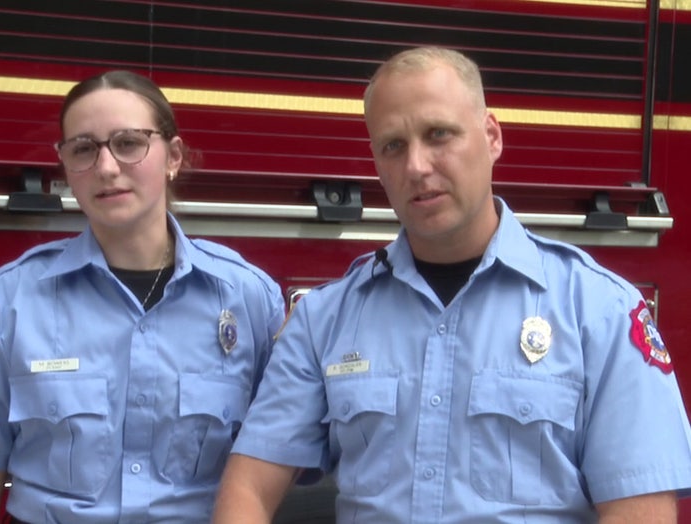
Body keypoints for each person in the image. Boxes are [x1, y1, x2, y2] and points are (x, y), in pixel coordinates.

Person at [212, 46, 691, 523]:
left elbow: (642, 512)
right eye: (393, 146)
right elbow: (247, 488)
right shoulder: (325, 319)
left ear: (491, 136)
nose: (417, 166)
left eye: (438, 134)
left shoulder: (599, 311)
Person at [0, 70, 285, 523]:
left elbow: (283, 466)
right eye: (83, 149)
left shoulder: (248, 298)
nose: (107, 167)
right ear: (65, 165)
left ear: (173, 156)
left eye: (129, 143)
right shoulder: (11, 300)